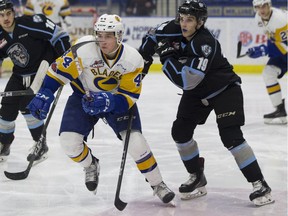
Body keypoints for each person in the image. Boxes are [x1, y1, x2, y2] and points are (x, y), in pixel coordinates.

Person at [27, 14, 175, 204]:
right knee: (69, 143)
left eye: (108, 35)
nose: (102, 40)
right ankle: (90, 165)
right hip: (84, 97)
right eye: (99, 35)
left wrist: (110, 101)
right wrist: (46, 92)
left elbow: (129, 96)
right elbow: (57, 73)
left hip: (116, 100)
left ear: (119, 36)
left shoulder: (132, 59)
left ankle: (158, 184)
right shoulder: (83, 50)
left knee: (136, 143)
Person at [139, 0, 274, 207]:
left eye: (190, 20)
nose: (184, 24)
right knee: (180, 132)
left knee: (230, 135)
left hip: (224, 89)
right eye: (182, 19)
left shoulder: (205, 42)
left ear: (200, 22)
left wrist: (166, 57)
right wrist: (142, 66)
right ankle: (197, 176)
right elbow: (150, 38)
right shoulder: (170, 29)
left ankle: (260, 183)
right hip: (197, 93)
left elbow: (188, 80)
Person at [0, 0, 70, 162]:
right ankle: (4, 143)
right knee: (6, 109)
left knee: (29, 106)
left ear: (14, 13)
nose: (6, 18)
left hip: (41, 69)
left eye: (8, 13)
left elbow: (60, 35)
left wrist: (65, 60)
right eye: (1, 15)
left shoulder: (30, 23)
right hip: (19, 74)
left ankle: (40, 143)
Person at [246, 0, 287, 124]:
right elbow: (274, 40)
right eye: (258, 7)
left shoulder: (280, 20)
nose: (261, 10)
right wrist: (263, 49)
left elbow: (285, 46)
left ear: (269, 5)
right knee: (268, 73)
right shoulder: (258, 18)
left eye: (264, 6)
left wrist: (264, 50)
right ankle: (280, 110)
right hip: (283, 52)